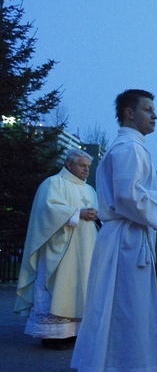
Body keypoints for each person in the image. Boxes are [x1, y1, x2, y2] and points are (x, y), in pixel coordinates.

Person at [71, 89, 157, 372]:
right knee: (127, 311)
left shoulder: (125, 147)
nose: (155, 115)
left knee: (110, 309)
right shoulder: (130, 148)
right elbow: (128, 197)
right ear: (129, 113)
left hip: (122, 237)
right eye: (148, 109)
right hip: (127, 240)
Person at [15, 149, 98, 350]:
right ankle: (52, 334)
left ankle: (73, 332)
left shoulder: (90, 190)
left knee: (81, 286)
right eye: (82, 166)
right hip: (59, 250)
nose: (86, 170)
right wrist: (78, 213)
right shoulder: (53, 183)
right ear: (69, 165)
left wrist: (95, 214)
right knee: (58, 285)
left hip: (85, 249)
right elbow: (47, 211)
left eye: (88, 167)